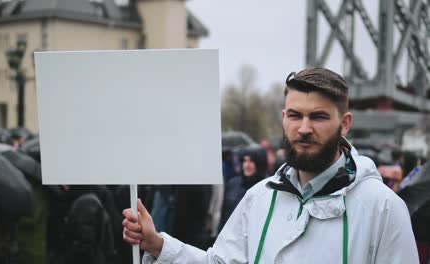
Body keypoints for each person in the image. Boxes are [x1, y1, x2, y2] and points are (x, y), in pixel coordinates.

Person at [122, 68, 419, 263]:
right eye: (295, 115)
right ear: (283, 118)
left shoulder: (383, 209)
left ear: (345, 124)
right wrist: (159, 245)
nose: (304, 128)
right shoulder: (260, 198)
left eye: (318, 116)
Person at [218, 146, 267, 232]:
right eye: (244, 160)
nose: (247, 165)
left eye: (251, 161)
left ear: (259, 163)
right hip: (229, 237)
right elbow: (223, 215)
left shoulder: (267, 187)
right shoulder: (233, 183)